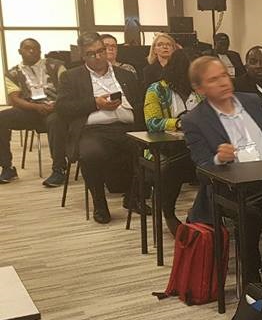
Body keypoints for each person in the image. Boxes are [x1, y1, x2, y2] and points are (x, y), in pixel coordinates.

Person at [182, 56, 262, 281]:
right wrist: (219, 158)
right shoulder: (194, 120)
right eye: (214, 80)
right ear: (200, 88)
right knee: (249, 215)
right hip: (234, 189)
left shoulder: (251, 101)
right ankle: (251, 280)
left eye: (224, 75)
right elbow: (201, 168)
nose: (223, 82)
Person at [56, 32, 145, 224]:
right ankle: (100, 203)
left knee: (146, 150)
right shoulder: (71, 77)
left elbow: (140, 104)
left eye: (101, 51)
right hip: (93, 131)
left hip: (127, 128)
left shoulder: (126, 75)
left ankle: (133, 197)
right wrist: (95, 103)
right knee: (91, 154)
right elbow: (62, 108)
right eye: (91, 54)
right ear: (82, 55)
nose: (98, 57)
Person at [143, 49, 202, 234]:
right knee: (173, 166)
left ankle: (201, 212)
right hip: (164, 148)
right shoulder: (157, 90)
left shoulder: (200, 91)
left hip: (196, 145)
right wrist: (178, 123)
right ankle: (168, 212)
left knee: (217, 165)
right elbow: (152, 123)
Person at [0, 38, 69, 187]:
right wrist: (36, 107)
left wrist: (56, 105)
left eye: (35, 48)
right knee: (1, 118)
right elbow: (14, 99)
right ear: (20, 51)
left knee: (56, 121)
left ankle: (59, 169)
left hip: (55, 109)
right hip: (30, 110)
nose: (32, 51)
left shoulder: (56, 66)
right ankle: (7, 167)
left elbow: (68, 90)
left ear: (40, 50)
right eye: (27, 48)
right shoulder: (12, 73)